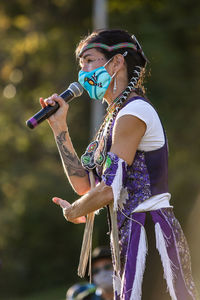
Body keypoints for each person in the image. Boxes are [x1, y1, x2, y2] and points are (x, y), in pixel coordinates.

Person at [40, 29, 197, 300]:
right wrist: (59, 129)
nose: (83, 71)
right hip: (128, 235)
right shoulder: (113, 119)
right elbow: (84, 185)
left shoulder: (134, 112)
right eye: (81, 64)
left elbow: (107, 190)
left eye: (89, 60)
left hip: (151, 232)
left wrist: (74, 212)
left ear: (116, 63)